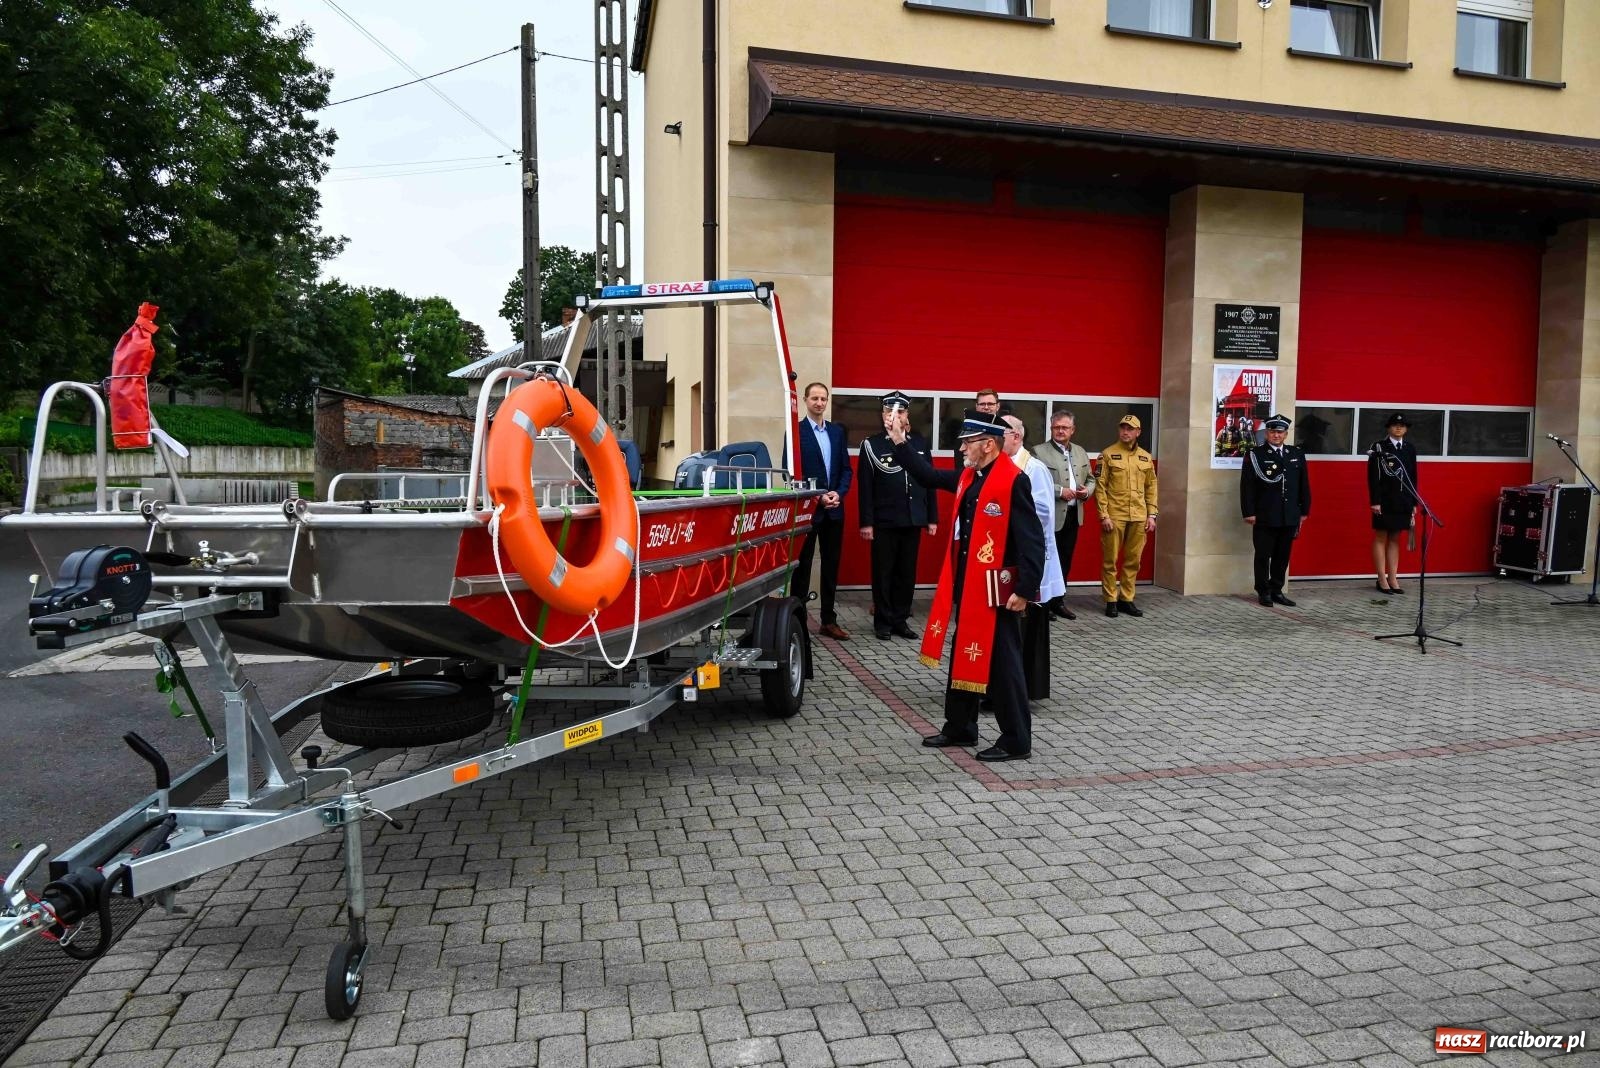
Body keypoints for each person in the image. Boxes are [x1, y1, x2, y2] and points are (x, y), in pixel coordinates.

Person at [888, 410, 1044, 762]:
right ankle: (960, 727)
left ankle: (1016, 739)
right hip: (971, 587)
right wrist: (899, 440)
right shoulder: (969, 477)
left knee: (1004, 666)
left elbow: (1032, 540)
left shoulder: (1012, 481)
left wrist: (1025, 589)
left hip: (998, 592)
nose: (961, 448)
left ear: (988, 445)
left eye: (967, 442)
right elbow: (927, 476)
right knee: (964, 654)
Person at [858, 391, 938, 640]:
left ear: (906, 416)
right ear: (883, 416)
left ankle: (900, 620)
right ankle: (882, 622)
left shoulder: (919, 443)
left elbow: (930, 481)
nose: (895, 416)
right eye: (889, 412)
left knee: (906, 573)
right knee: (883, 573)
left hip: (913, 518)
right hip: (885, 521)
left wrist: (931, 517)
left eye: (900, 412)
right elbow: (865, 487)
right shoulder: (872, 445)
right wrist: (867, 522)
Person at [1001, 414, 1065, 700]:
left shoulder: (1033, 467)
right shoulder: (1002, 465)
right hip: (1006, 556)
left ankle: (1026, 688)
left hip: (1030, 558)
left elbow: (1041, 512)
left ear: (1016, 436)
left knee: (1028, 626)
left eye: (1000, 434)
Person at [791, 381, 852, 638]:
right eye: (814, 398)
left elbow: (846, 469)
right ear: (805, 400)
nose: (819, 403)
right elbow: (794, 474)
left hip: (835, 510)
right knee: (802, 567)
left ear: (827, 402)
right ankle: (798, 623)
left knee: (831, 566)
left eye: (823, 399)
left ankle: (828, 620)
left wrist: (838, 493)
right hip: (809, 511)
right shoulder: (796, 432)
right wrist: (817, 498)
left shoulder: (837, 433)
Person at [1240, 413, 1311, 607]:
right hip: (1265, 514)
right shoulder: (1255, 454)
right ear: (1267, 433)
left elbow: (1303, 484)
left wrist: (1304, 510)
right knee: (1263, 555)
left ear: (1286, 434)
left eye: (1280, 432)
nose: (1276, 435)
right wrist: (1249, 512)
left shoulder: (1295, 454)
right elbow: (1247, 486)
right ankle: (1263, 591)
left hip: (1289, 514)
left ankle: (1276, 589)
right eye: (1272, 431)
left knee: (1282, 555)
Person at [1034, 409, 1094, 620]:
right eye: (1056, 427)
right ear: (1051, 428)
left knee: (1065, 559)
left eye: (1065, 427)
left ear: (1073, 430)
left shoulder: (1080, 451)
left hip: (1073, 514)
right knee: (1046, 559)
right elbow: (1033, 483)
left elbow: (1091, 478)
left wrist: (1087, 491)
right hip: (1049, 516)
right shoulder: (1038, 452)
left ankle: (1059, 601)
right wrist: (1060, 491)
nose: (1060, 431)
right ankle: (1042, 602)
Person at [1095, 414, 1158, 618]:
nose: (1125, 432)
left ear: (1138, 432)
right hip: (1115, 515)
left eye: (1130, 429)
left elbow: (1151, 487)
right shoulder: (1107, 454)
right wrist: (1104, 515)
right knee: (1110, 560)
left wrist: (1152, 515)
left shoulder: (1145, 457)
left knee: (1133, 560)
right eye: (1122, 428)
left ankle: (1126, 599)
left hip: (1139, 516)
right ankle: (1111, 599)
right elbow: (1100, 487)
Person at [1367, 412, 1418, 595]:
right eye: (1395, 425)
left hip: (1403, 500)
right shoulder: (1379, 447)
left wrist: (1414, 502)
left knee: (1395, 538)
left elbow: (1413, 477)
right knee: (1381, 537)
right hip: (1384, 500)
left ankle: (1393, 577)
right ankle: (1381, 578)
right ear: (1388, 428)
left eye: (1402, 426)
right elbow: (1373, 477)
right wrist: (1375, 501)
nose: (1399, 428)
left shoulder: (1409, 448)